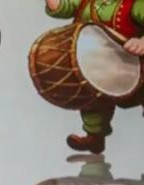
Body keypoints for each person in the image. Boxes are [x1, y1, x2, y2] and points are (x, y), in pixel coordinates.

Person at [45, 0, 144, 154]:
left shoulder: (136, 4)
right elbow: (64, 7)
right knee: (92, 101)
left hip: (135, 67)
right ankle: (94, 138)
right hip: (97, 65)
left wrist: (142, 42)